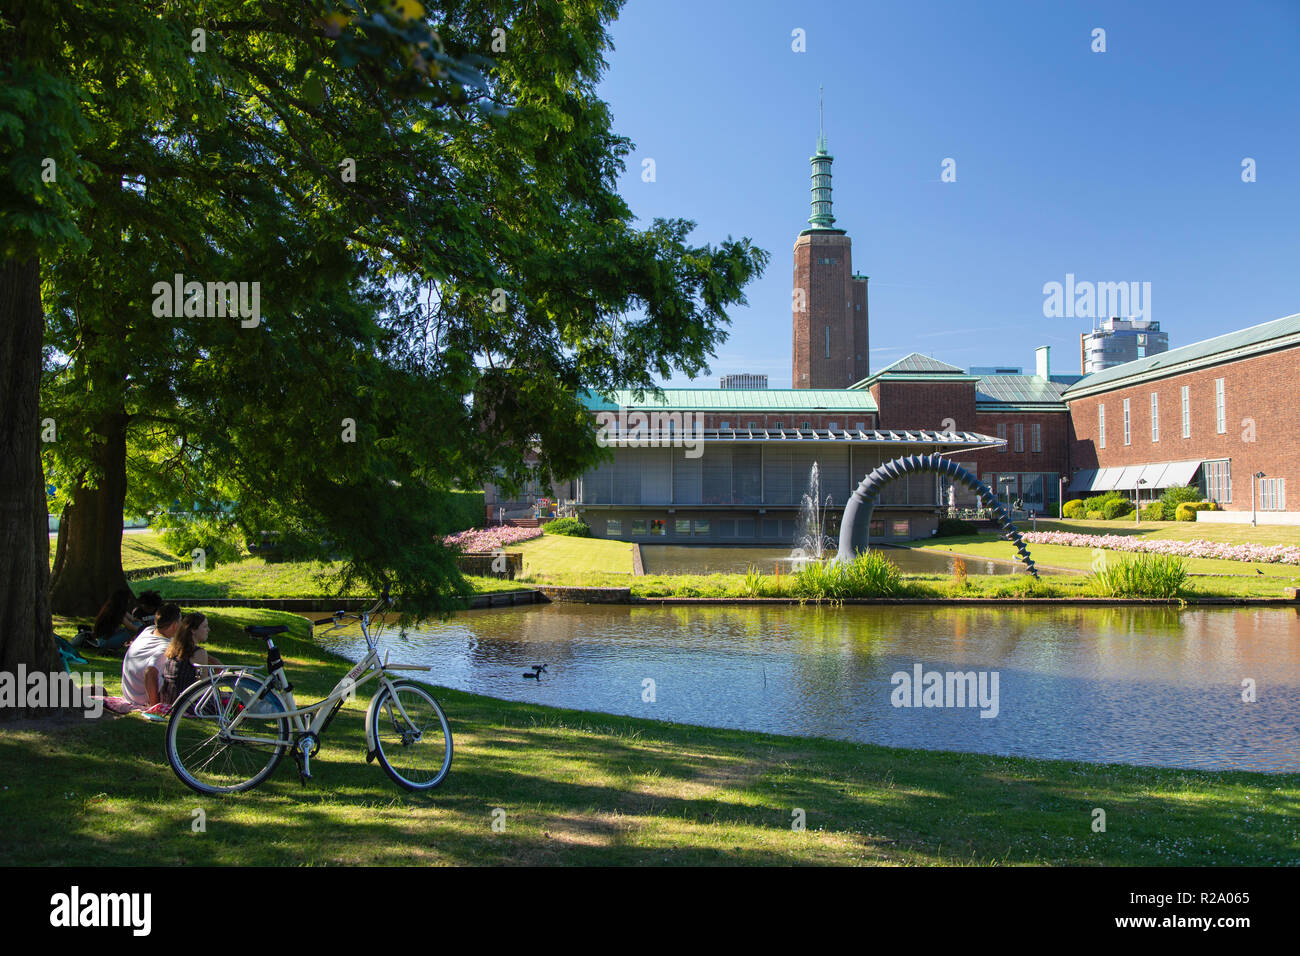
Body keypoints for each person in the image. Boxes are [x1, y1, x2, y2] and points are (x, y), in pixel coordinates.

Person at [121, 603, 182, 708]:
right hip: (143, 698)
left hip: (129, 694)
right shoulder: (165, 648)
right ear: (175, 625)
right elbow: (150, 672)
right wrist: (155, 706)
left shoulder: (149, 631)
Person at [158, 612, 220, 707]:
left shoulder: (173, 649)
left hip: (169, 700)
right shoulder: (198, 653)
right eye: (204, 627)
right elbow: (202, 684)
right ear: (193, 630)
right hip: (187, 705)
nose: (208, 630)